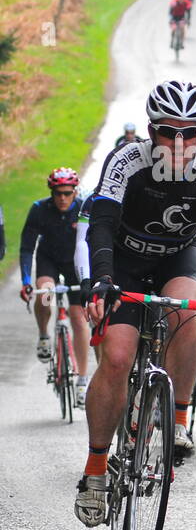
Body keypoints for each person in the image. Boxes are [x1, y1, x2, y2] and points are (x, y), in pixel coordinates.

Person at [77, 80, 196, 527]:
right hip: (124, 260)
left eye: (190, 133)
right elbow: (101, 224)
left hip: (180, 256)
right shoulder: (126, 161)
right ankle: (96, 467)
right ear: (152, 131)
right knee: (115, 357)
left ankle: (179, 415)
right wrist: (101, 279)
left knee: (185, 310)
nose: (179, 143)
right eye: (168, 132)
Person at [20, 168, 92, 404]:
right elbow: (27, 248)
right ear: (51, 192)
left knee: (79, 319)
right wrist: (27, 282)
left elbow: (91, 246)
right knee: (46, 295)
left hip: (74, 265)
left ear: (75, 192)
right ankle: (43, 334)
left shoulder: (83, 208)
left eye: (67, 193)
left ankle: (82, 380)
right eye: (58, 193)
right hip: (48, 261)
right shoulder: (40, 209)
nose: (62, 198)